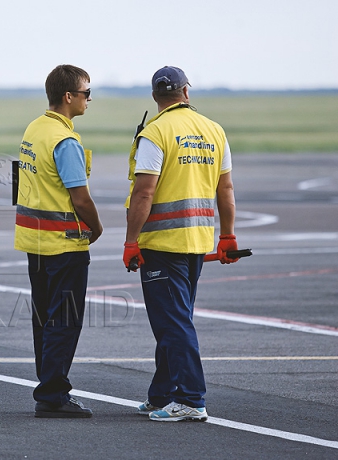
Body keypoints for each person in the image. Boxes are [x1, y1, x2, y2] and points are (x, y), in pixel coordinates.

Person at [123, 66, 240, 422]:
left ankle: (190, 399)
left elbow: (144, 191)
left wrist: (130, 241)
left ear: (156, 98)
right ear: (186, 92)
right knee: (173, 321)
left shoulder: (155, 132)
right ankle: (162, 396)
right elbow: (226, 189)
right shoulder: (214, 131)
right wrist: (228, 236)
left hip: (162, 243)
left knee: (173, 323)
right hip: (197, 242)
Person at [14, 64, 103, 418]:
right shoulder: (65, 141)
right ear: (69, 96)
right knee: (64, 320)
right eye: (86, 93)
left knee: (45, 318)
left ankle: (48, 385)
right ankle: (52, 392)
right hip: (64, 245)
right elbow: (80, 198)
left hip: (34, 242)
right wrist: (96, 228)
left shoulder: (35, 129)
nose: (88, 99)